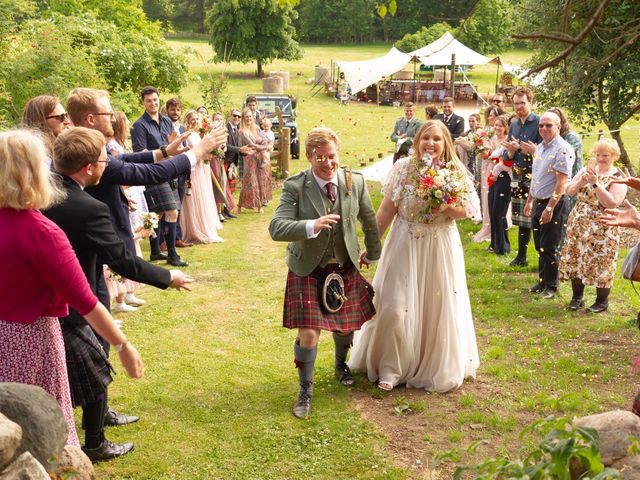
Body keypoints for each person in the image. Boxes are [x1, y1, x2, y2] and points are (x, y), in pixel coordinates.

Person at [44, 127, 193, 461]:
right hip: (71, 301)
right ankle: (94, 443)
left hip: (46, 298)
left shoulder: (39, 190)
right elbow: (123, 261)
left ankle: (78, 433)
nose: (107, 164)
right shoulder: (86, 207)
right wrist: (168, 277)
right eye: (103, 160)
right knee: (96, 369)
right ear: (88, 168)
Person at [0, 129, 143, 449]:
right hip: (32, 339)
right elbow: (86, 300)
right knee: (44, 426)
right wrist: (122, 347)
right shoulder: (40, 232)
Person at [348, 120, 480, 392]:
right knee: (395, 307)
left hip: (439, 246)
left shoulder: (456, 172)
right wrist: (373, 247)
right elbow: (386, 209)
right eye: (425, 138)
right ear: (417, 141)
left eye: (437, 139)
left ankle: (429, 363)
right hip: (404, 242)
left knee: (436, 308)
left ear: (446, 144)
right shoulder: (403, 169)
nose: (430, 144)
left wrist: (444, 203)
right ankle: (390, 367)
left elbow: (465, 212)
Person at [268, 127, 381, 418]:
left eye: (331, 156)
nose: (327, 163)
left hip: (343, 266)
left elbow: (369, 220)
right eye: (319, 158)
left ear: (337, 153)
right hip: (308, 267)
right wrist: (310, 226)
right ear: (308, 157)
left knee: (345, 326)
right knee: (309, 333)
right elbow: (276, 227)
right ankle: (305, 389)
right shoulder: (296, 186)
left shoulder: (353, 181)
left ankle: (340, 364)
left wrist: (374, 251)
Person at [560, 139, 626, 312]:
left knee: (602, 260)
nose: (601, 158)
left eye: (605, 155)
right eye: (598, 155)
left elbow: (612, 203)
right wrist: (581, 182)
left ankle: (601, 302)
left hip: (603, 226)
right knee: (576, 256)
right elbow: (569, 190)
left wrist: (596, 183)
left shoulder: (618, 177)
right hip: (579, 222)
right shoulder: (587, 170)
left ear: (614, 156)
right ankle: (577, 298)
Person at [132, 86, 187, 267]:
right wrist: (166, 149)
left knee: (158, 213)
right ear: (143, 103)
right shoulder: (139, 125)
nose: (153, 103)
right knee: (172, 212)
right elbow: (140, 153)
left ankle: (156, 252)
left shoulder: (166, 121)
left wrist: (176, 148)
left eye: (155, 100)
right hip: (152, 173)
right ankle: (172, 254)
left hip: (169, 170)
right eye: (149, 101)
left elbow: (173, 145)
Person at [523, 111, 575, 299]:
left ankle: (552, 286)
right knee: (539, 245)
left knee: (550, 246)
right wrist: (530, 200)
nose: (544, 128)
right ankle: (543, 280)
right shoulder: (540, 147)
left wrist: (550, 207)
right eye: (541, 125)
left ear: (558, 127)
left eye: (549, 125)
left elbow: (561, 183)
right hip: (539, 201)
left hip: (555, 203)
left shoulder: (563, 149)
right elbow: (535, 177)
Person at [502, 87, 542, 267]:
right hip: (518, 174)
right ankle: (522, 256)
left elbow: (546, 151)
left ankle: (543, 259)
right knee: (521, 218)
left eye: (522, 103)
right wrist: (511, 151)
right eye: (516, 103)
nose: (519, 107)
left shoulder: (540, 123)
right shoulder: (514, 124)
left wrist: (528, 150)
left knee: (535, 218)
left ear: (530, 102)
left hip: (536, 175)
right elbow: (508, 154)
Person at [179, 110, 224, 243]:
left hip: (202, 169)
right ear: (187, 121)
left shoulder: (199, 134)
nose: (194, 121)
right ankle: (193, 228)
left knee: (203, 196)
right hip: (193, 170)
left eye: (196, 119)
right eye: (191, 119)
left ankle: (203, 226)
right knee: (193, 197)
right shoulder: (187, 136)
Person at [548, 107, 584, 212]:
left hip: (571, 180)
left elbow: (562, 160)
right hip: (556, 181)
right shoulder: (551, 138)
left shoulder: (571, 137)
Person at [486, 115, 513, 253]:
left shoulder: (508, 141)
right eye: (496, 125)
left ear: (506, 128)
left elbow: (505, 158)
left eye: (500, 126)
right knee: (492, 209)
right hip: (493, 175)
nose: (497, 128)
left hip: (504, 177)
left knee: (499, 212)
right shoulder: (493, 139)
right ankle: (494, 243)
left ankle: (503, 246)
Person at [237, 107, 271, 214]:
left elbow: (265, 139)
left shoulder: (256, 128)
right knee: (250, 182)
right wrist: (264, 147)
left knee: (261, 180)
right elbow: (251, 144)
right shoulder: (242, 131)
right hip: (250, 158)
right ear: (243, 118)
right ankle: (240, 204)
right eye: (246, 117)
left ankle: (260, 205)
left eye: (250, 117)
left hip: (260, 157)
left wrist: (264, 145)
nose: (248, 119)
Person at [21, 94, 72, 162]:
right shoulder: (38, 156)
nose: (67, 121)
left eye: (66, 115)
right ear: (41, 121)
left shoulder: (63, 147)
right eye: (61, 117)